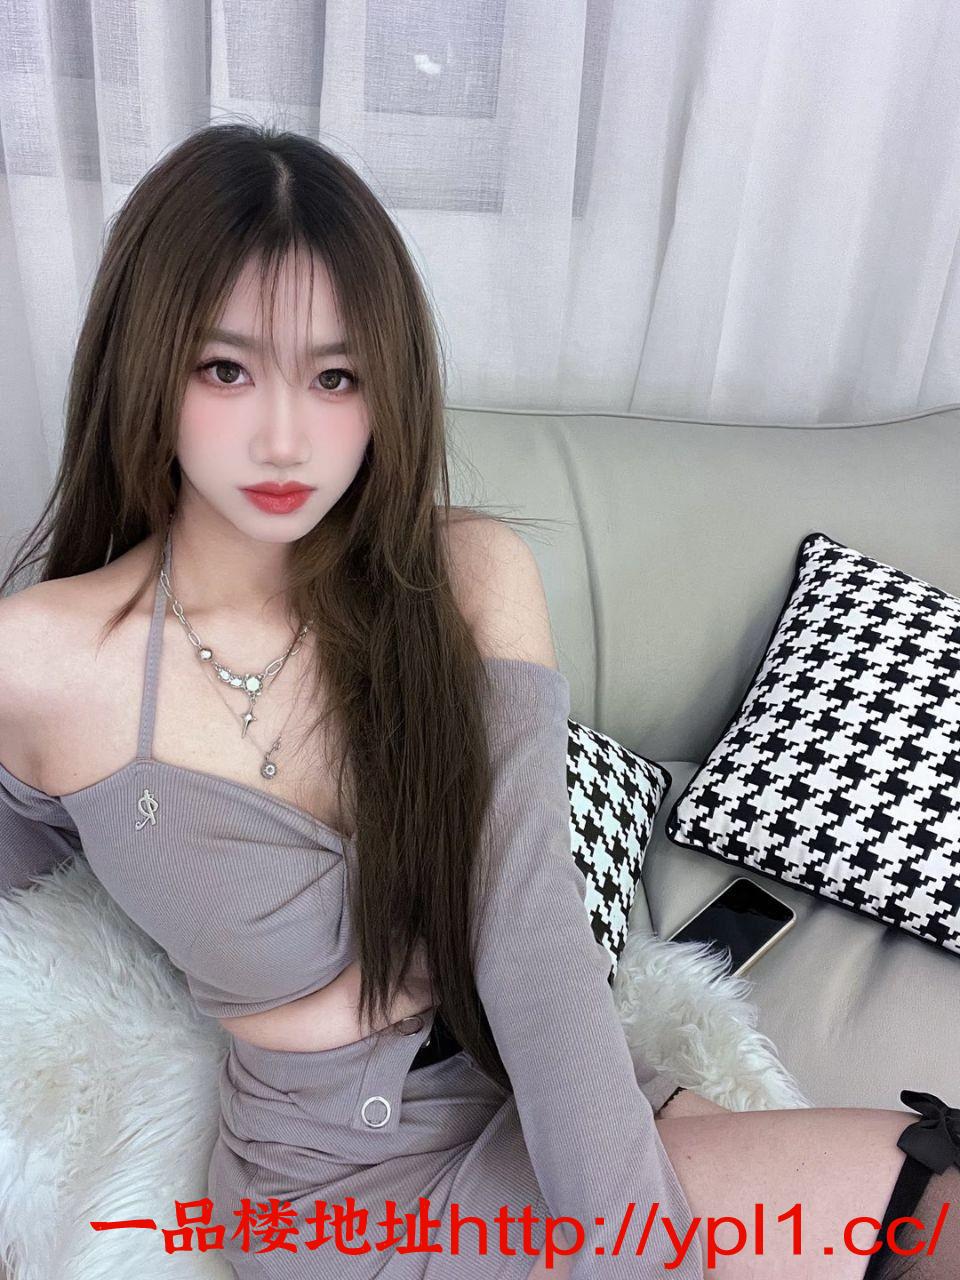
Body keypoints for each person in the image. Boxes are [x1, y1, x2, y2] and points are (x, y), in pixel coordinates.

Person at [0, 122, 956, 1280]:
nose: (285, 435)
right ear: (145, 363)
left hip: (544, 1091)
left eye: (336, 375)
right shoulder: (45, 662)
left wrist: (634, 1246)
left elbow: (531, 935)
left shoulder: (462, 575)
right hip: (341, 1190)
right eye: (227, 369)